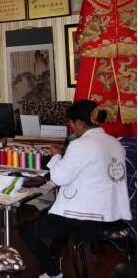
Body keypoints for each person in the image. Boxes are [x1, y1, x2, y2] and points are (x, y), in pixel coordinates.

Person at [20, 99, 131, 278]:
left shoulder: (81, 145)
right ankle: (54, 260)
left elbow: (59, 178)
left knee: (27, 230)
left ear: (79, 122)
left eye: (71, 123)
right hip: (113, 211)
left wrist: (56, 156)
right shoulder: (114, 142)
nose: (71, 128)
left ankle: (54, 272)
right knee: (53, 216)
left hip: (88, 218)